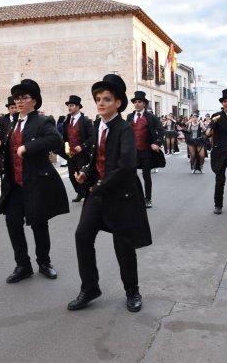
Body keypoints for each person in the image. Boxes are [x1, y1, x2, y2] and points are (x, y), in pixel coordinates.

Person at [67, 74, 152, 312]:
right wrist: (86, 172)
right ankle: (89, 288)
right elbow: (96, 155)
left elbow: (126, 166)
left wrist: (99, 186)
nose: (101, 103)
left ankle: (132, 291)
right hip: (98, 192)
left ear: (118, 103)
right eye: (98, 99)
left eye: (106, 99)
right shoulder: (98, 125)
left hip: (121, 194)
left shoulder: (124, 128)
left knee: (123, 245)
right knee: (82, 236)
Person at [0, 79, 69, 284]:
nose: (19, 101)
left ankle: (44, 262)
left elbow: (55, 141)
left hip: (36, 181)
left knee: (38, 223)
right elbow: (5, 151)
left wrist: (28, 147)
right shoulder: (9, 123)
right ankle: (23, 265)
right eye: (17, 98)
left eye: (24, 97)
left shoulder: (43, 122)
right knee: (13, 222)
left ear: (34, 101)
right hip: (14, 183)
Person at [126, 91, 164, 208]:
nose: (137, 104)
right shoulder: (130, 117)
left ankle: (148, 198)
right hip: (132, 152)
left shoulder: (151, 117)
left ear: (144, 104)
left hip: (146, 151)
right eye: (135, 102)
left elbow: (161, 131)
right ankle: (133, 197)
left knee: (146, 176)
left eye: (139, 102)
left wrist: (157, 143)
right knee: (130, 175)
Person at [61, 95, 94, 202]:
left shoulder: (85, 121)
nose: (69, 107)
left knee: (83, 175)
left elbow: (92, 137)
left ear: (78, 107)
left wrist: (82, 146)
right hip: (71, 154)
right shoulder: (67, 121)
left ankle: (89, 194)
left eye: (72, 105)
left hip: (82, 154)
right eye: (68, 106)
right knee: (71, 176)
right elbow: (65, 136)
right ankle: (81, 193)